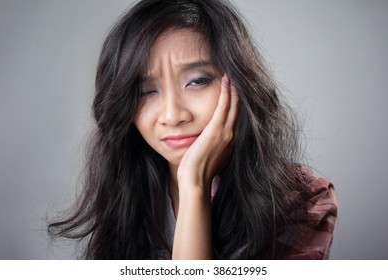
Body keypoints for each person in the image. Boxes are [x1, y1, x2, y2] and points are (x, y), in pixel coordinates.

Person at [48, 0, 337, 259]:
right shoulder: (126, 189)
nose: (173, 115)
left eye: (197, 81)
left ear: (241, 83)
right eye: (146, 91)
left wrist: (194, 185)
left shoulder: (303, 199)